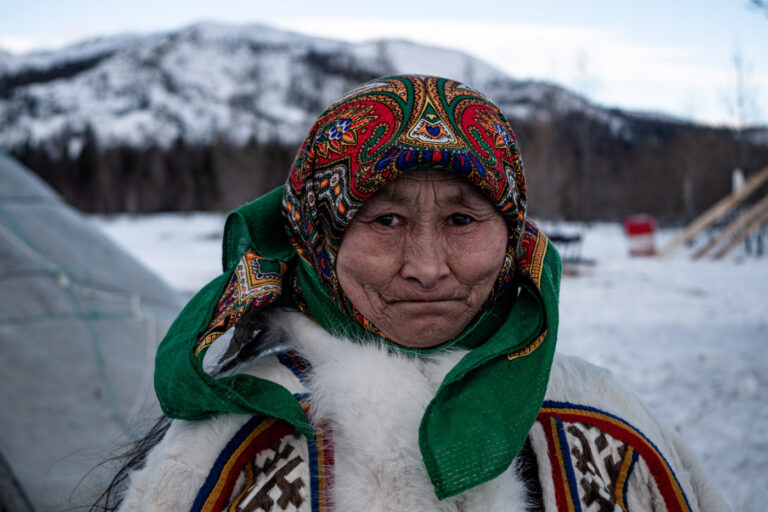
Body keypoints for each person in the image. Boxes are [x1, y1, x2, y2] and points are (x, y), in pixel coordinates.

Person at [112, 75, 727, 511]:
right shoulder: (228, 452)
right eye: (386, 222)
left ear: (512, 238)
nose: (428, 268)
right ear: (319, 241)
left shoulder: (605, 424)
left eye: (463, 221)